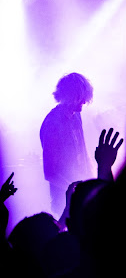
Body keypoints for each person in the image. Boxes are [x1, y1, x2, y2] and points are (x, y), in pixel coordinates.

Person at [40, 73, 94, 217]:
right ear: (68, 96)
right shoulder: (52, 124)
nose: (84, 101)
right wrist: (73, 190)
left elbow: (81, 150)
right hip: (64, 201)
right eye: (80, 97)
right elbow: (50, 172)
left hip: (80, 194)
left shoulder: (76, 115)